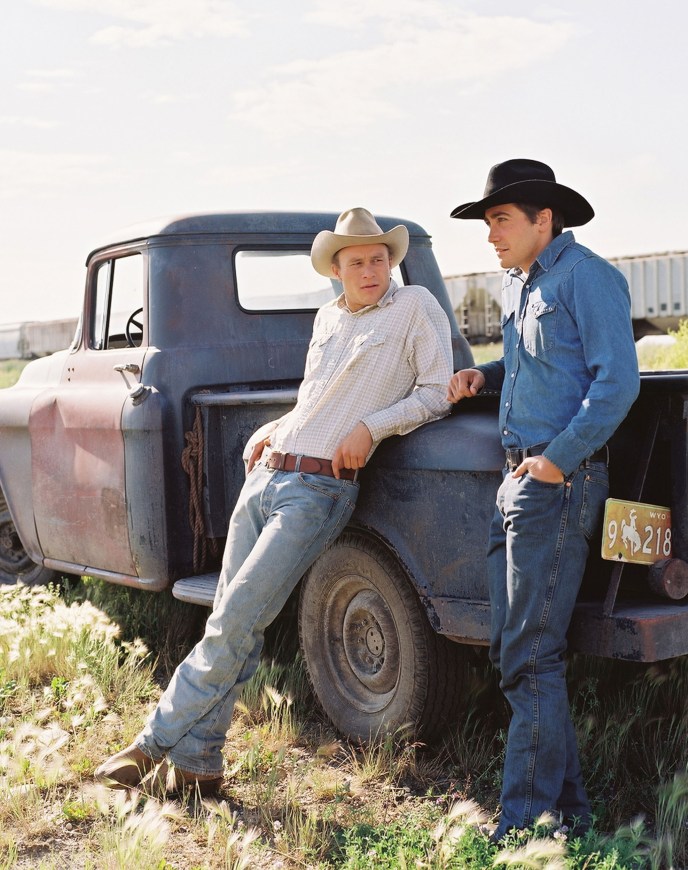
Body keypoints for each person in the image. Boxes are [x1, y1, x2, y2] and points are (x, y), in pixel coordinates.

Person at [95, 207, 453, 795]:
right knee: (229, 620)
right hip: (267, 476)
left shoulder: (415, 308)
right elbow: (318, 396)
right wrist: (279, 424)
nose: (371, 270)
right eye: (357, 261)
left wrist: (374, 427)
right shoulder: (328, 319)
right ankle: (200, 765)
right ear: (335, 270)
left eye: (380, 258)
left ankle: (152, 743)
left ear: (392, 260)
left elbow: (437, 391)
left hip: (317, 491)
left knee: (238, 618)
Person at [447, 159, 640, 839]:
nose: (491, 235)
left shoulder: (588, 278)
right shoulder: (521, 285)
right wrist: (484, 374)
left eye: (500, 219)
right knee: (512, 650)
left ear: (542, 219)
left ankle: (525, 827)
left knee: (531, 653)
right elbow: (541, 364)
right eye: (490, 222)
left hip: (558, 485)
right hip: (517, 485)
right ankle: (571, 816)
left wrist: (556, 462)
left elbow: (616, 384)